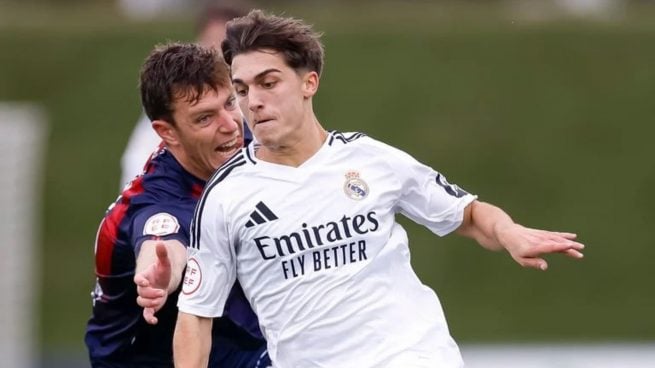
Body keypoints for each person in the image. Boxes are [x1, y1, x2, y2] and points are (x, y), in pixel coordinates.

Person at [173, 10, 585, 368]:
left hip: (415, 356)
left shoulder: (370, 160)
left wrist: (508, 232)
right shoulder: (226, 196)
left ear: (309, 82)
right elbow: (195, 315)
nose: (253, 102)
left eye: (268, 82)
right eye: (242, 90)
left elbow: (468, 213)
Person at [85, 42, 269, 367]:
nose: (229, 124)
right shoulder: (158, 200)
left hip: (244, 336)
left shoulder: (253, 142)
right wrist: (158, 277)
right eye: (204, 118)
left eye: (230, 102)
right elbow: (162, 242)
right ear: (167, 133)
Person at [120, 1, 250, 187]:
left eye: (226, 46)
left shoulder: (262, 95)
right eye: (204, 117)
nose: (218, 53)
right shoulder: (176, 98)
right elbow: (137, 160)